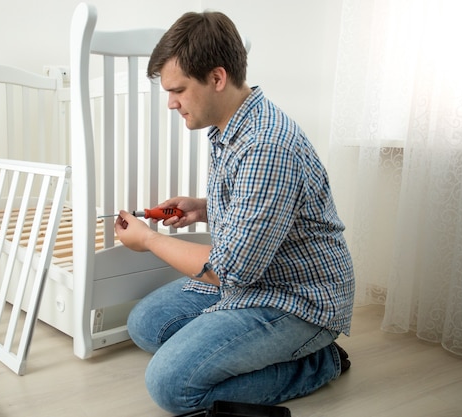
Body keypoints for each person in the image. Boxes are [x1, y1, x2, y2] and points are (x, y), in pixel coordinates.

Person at [113, 9, 355, 415]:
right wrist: (202, 209)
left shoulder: (266, 146)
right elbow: (262, 210)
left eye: (178, 90)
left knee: (170, 385)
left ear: (217, 78)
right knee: (145, 324)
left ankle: (318, 362)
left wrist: (149, 239)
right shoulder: (230, 128)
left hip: (295, 299)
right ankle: (232, 345)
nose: (171, 103)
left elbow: (229, 270)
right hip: (254, 279)